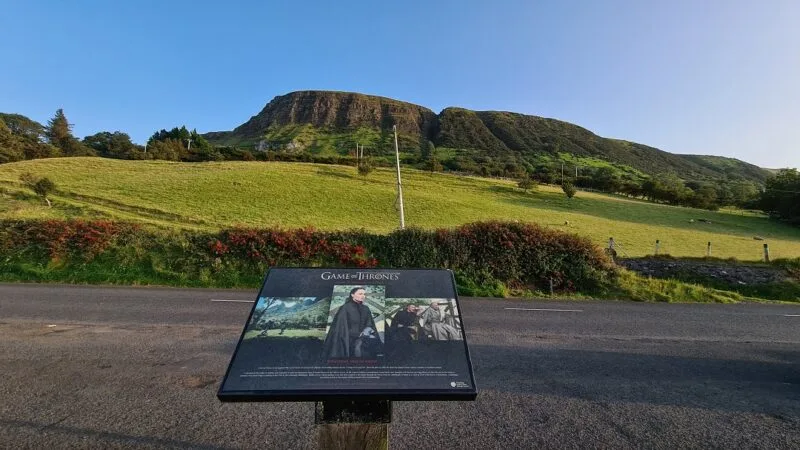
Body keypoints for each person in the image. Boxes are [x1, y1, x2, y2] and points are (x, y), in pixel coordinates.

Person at [322, 287, 381, 358]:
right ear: (352, 295)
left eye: (364, 294)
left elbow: (369, 323)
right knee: (357, 350)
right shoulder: (345, 308)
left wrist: (366, 331)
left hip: (365, 337)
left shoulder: (366, 308)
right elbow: (341, 328)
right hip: (347, 338)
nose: (363, 296)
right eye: (360, 294)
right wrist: (358, 334)